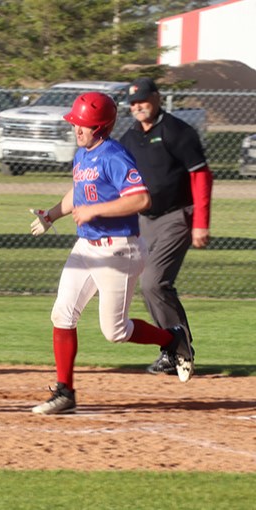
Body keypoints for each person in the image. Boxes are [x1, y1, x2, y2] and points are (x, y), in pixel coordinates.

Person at [28, 92, 193, 415]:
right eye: (75, 123)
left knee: (115, 331)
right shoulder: (83, 154)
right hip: (86, 246)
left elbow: (141, 200)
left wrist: (95, 211)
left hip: (119, 249)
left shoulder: (114, 155)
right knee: (62, 314)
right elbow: (79, 193)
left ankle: (172, 339)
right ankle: (65, 392)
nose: (77, 129)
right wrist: (50, 216)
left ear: (101, 127)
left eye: (83, 124)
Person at [119, 77, 213, 375]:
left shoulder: (176, 131)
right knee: (147, 285)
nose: (138, 106)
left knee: (154, 281)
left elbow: (201, 177)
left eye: (143, 100)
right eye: (133, 102)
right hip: (144, 218)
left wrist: (200, 223)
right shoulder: (130, 137)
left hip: (177, 215)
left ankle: (179, 349)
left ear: (157, 98)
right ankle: (173, 349)